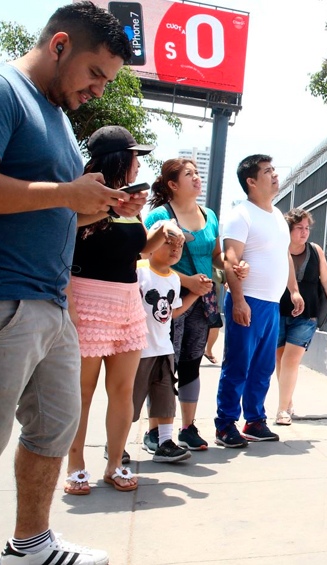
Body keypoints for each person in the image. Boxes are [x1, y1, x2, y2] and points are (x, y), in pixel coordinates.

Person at [0, 3, 137, 563]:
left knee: (54, 428)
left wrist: (93, 207)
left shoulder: (54, 114)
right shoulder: (4, 91)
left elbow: (49, 209)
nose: (99, 90)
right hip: (5, 298)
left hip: (51, 305)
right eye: (95, 74)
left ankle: (30, 543)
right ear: (59, 46)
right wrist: (64, 194)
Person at [65, 126, 177, 495]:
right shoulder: (84, 193)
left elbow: (138, 251)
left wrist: (163, 233)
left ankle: (114, 463)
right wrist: (108, 204)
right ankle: (75, 464)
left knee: (123, 389)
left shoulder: (131, 203)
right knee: (81, 391)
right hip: (87, 299)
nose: (138, 164)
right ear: (118, 158)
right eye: (134, 156)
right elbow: (64, 233)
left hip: (127, 302)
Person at [144, 158, 242, 452]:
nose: (197, 178)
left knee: (190, 362)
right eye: (189, 174)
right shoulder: (159, 216)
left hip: (202, 301)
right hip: (167, 299)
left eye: (198, 173)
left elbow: (215, 256)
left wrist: (231, 270)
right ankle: (154, 432)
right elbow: (149, 258)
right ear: (172, 185)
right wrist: (187, 282)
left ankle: (187, 427)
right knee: (162, 365)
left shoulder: (209, 215)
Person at [215, 154, 303, 448]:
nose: (275, 175)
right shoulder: (241, 214)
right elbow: (230, 260)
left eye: (274, 169)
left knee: (263, 367)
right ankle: (225, 424)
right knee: (238, 365)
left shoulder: (278, 215)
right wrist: (238, 301)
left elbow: (284, 256)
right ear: (251, 181)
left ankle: (254, 420)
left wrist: (293, 289)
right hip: (248, 301)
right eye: (267, 171)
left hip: (271, 305)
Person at [132, 230, 199, 464]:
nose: (175, 249)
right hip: (139, 349)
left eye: (179, 245)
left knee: (165, 397)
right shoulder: (139, 270)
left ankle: (166, 443)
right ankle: (116, 443)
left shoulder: (173, 278)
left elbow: (172, 313)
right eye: (168, 242)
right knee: (130, 399)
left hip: (164, 348)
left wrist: (194, 296)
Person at [274, 208, 327, 425]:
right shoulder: (278, 249)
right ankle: (288, 401)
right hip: (278, 310)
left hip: (307, 313)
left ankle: (282, 409)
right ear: (288, 230)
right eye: (299, 228)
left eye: (307, 228)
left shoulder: (315, 250)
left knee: (291, 359)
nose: (304, 232)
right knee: (280, 360)